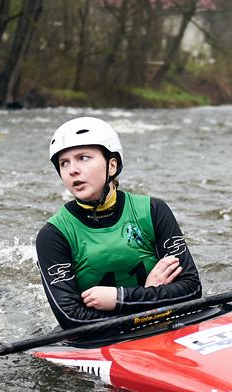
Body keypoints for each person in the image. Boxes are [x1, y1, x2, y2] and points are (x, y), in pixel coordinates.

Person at [36, 116, 201, 333]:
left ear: (112, 165)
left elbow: (192, 289)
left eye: (83, 158)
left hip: (164, 326)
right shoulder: (53, 235)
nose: (72, 170)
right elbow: (72, 320)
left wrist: (120, 299)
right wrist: (149, 297)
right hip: (99, 339)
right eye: (63, 163)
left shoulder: (153, 211)